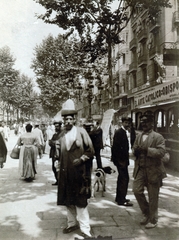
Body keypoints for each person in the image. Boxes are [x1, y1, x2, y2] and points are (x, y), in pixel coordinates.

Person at [56, 99, 94, 238]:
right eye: (65, 119)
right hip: (65, 173)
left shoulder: (82, 131)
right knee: (68, 200)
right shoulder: (61, 134)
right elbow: (59, 152)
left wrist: (81, 159)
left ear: (74, 119)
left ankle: (85, 230)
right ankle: (71, 223)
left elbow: (90, 151)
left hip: (79, 173)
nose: (67, 121)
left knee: (81, 202)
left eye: (70, 119)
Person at [132, 111, 166, 229]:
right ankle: (146, 212)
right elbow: (134, 149)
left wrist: (148, 150)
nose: (144, 124)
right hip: (140, 169)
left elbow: (161, 152)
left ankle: (153, 219)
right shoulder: (139, 136)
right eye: (142, 122)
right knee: (136, 190)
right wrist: (135, 151)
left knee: (153, 196)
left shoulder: (158, 137)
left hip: (153, 170)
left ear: (152, 123)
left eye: (146, 122)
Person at [111, 116, 133, 206]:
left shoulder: (123, 132)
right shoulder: (120, 132)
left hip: (123, 160)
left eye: (129, 123)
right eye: (126, 123)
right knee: (124, 179)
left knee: (122, 179)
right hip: (121, 160)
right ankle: (121, 200)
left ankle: (119, 197)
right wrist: (118, 161)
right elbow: (115, 147)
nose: (128, 124)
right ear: (122, 123)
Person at [49, 121, 63, 185]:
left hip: (61, 154)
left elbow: (60, 143)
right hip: (54, 153)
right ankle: (58, 180)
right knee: (54, 167)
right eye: (55, 126)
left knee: (59, 168)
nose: (56, 127)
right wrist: (53, 142)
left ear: (60, 126)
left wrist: (54, 142)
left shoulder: (62, 135)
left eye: (57, 126)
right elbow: (50, 142)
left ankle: (60, 181)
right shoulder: (55, 135)